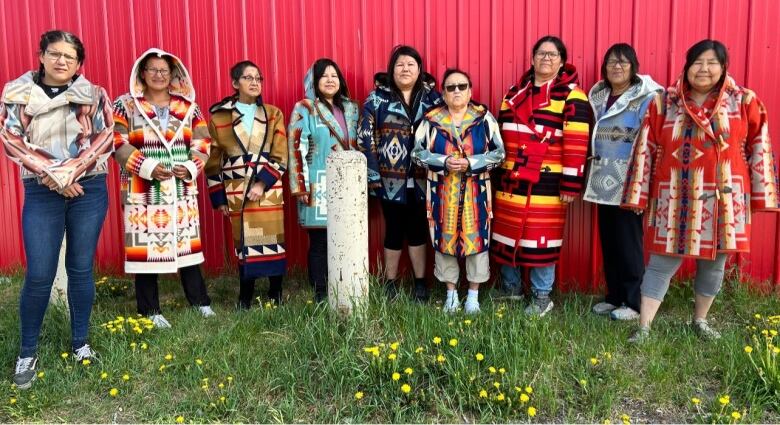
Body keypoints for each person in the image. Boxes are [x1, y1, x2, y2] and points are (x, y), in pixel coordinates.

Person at [622, 39, 779, 342]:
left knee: (714, 263)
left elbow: (760, 147)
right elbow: (645, 148)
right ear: (687, 65)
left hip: (724, 197)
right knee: (660, 262)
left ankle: (700, 320)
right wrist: (638, 194)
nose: (704, 69)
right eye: (698, 62)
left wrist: (762, 195)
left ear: (723, 67)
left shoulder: (744, 101)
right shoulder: (663, 103)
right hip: (674, 196)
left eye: (712, 63)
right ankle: (644, 326)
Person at [1, 30, 114, 389]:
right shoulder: (16, 94)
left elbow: (105, 137)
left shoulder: (94, 95)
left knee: (81, 268)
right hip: (42, 190)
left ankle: (81, 343)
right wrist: (54, 175)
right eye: (55, 53)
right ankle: (27, 352)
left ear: (79, 62)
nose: (62, 60)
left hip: (88, 188)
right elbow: (11, 139)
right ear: (41, 56)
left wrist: (69, 173)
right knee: (39, 273)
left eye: (70, 55)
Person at [491, 35, 593, 316]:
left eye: (552, 54)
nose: (546, 58)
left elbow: (577, 142)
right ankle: (511, 288)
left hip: (546, 181)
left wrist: (571, 183)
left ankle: (541, 295)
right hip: (511, 178)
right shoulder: (514, 92)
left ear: (562, 62)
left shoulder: (572, 95)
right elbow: (500, 134)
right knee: (507, 233)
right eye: (541, 53)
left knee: (541, 238)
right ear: (532, 58)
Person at [113, 48, 214, 328]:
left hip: (181, 187)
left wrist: (193, 166)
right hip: (142, 189)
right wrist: (145, 166)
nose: (159, 75)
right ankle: (150, 310)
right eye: (153, 70)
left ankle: (200, 302)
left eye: (164, 71)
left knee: (187, 246)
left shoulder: (187, 106)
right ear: (141, 73)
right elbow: (117, 141)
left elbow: (203, 141)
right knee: (146, 250)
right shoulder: (125, 105)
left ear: (173, 75)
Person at [412, 68, 505, 314]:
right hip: (442, 193)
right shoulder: (431, 119)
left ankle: (473, 296)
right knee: (445, 241)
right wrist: (442, 162)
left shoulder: (484, 118)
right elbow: (416, 153)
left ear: (470, 90)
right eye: (451, 87)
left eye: (461, 86)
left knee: (476, 242)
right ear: (442, 92)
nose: (456, 91)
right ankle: (451, 295)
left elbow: (500, 154)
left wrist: (472, 163)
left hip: (476, 194)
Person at [583, 43, 662, 321]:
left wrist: (645, 185)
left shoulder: (645, 97)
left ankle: (633, 301)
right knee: (610, 241)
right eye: (612, 62)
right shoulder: (601, 95)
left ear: (633, 67)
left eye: (623, 62)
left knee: (629, 243)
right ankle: (614, 296)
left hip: (630, 181)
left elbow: (651, 142)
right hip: (604, 181)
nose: (617, 67)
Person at [358, 45, 442, 301]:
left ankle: (420, 283)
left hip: (423, 179)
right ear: (391, 69)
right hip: (388, 178)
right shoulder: (376, 99)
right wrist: (373, 177)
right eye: (400, 64)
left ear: (419, 69)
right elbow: (365, 137)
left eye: (411, 64)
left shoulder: (433, 100)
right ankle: (390, 283)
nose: (405, 69)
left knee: (418, 229)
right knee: (393, 229)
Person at [206, 60, 288, 308]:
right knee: (243, 242)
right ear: (235, 83)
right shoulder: (219, 117)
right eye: (248, 78)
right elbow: (212, 161)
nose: (254, 82)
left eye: (258, 78)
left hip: (268, 187)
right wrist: (219, 197)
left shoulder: (273, 114)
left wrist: (262, 183)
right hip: (236, 188)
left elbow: (281, 154)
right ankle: (245, 298)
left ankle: (275, 295)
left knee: (273, 241)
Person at [288, 58, 359, 302]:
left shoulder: (350, 109)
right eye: (324, 76)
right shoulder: (305, 108)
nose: (330, 80)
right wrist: (300, 184)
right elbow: (296, 145)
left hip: (349, 183)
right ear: (315, 81)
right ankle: (320, 293)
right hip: (317, 182)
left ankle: (344, 287)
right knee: (320, 241)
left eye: (334, 76)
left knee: (345, 238)